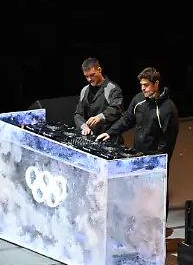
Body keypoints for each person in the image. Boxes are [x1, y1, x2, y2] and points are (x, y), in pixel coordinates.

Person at [96, 67, 179, 220]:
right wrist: (110, 132)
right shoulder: (139, 100)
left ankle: (159, 229)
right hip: (137, 155)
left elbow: (168, 141)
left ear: (156, 84)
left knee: (157, 197)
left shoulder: (168, 109)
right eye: (141, 85)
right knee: (137, 195)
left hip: (155, 160)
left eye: (146, 85)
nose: (143, 88)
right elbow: (127, 119)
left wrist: (156, 162)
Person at [73, 57, 124, 142]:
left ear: (99, 70)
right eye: (86, 76)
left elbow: (116, 109)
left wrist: (99, 117)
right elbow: (78, 114)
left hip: (108, 139)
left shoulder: (112, 89)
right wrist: (83, 126)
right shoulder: (85, 90)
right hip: (90, 138)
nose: (89, 79)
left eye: (92, 75)